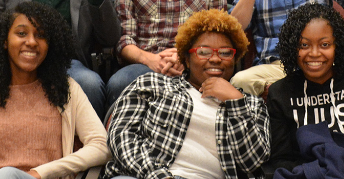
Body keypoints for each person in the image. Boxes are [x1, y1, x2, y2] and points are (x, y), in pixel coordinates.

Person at [105, 9, 269, 179]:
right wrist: (158, 176)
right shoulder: (151, 85)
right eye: (203, 52)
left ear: (235, 59)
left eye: (225, 53)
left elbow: (252, 163)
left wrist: (236, 103)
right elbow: (121, 136)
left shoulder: (251, 105)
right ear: (187, 59)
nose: (215, 59)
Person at [0, 2, 110, 179]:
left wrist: (41, 172)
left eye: (41, 36)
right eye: (21, 33)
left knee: (7, 174)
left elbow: (101, 145)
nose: (32, 42)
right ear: (5, 41)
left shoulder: (66, 89)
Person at [262, 3, 344, 178]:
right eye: (304, 45)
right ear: (292, 48)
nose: (314, 53)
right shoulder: (280, 93)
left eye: (325, 44)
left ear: (338, 46)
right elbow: (282, 159)